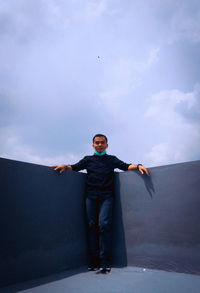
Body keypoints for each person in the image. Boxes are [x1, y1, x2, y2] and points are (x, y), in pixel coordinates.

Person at [52, 134, 150, 274]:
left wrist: (139, 166)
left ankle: (105, 261)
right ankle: (94, 260)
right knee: (92, 226)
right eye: (97, 143)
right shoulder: (88, 159)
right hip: (90, 197)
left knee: (103, 225)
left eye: (102, 142)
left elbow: (125, 166)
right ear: (93, 145)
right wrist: (65, 166)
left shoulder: (111, 159)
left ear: (106, 145)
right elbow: (75, 167)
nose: (99, 145)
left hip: (106, 197)